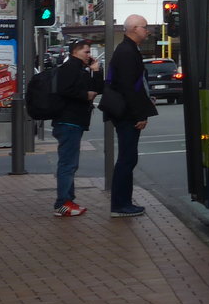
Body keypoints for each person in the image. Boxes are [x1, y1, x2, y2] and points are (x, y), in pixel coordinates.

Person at [107, 14, 158, 218]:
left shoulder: (127, 49)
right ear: (134, 28)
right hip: (127, 114)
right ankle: (120, 204)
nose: (147, 31)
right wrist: (140, 114)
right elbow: (129, 88)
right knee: (127, 159)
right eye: (145, 27)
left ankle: (124, 202)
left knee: (128, 158)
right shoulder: (128, 52)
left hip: (126, 112)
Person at [51, 39, 103, 217]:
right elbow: (64, 90)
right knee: (68, 163)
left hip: (75, 121)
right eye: (86, 52)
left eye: (89, 52)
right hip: (68, 121)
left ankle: (68, 200)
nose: (89, 55)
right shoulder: (70, 68)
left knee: (70, 163)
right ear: (75, 52)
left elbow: (98, 89)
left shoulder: (81, 69)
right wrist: (84, 95)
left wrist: (96, 72)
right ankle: (62, 203)